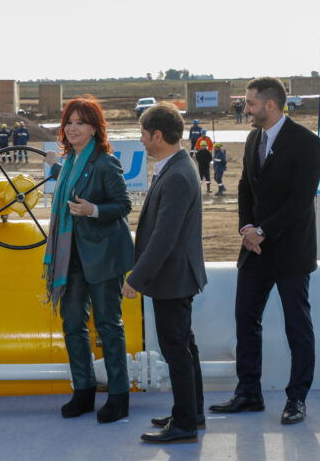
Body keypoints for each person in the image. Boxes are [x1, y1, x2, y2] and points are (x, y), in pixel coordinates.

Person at [209, 77, 320, 425]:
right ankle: (248, 393)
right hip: (254, 251)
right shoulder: (253, 137)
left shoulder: (308, 143)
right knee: (246, 319)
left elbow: (300, 201)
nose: (246, 109)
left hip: (290, 252)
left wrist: (263, 231)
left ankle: (296, 399)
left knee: (297, 328)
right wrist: (246, 228)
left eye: (250, 103)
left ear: (270, 105)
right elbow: (245, 186)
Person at [42, 95, 134, 424]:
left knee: (109, 325)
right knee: (72, 324)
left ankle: (119, 396)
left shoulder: (105, 163)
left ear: (95, 128)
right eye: (69, 122)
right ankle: (83, 391)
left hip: (103, 255)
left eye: (80, 122)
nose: (72, 128)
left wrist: (92, 210)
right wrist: (55, 164)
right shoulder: (68, 164)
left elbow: (123, 205)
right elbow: (69, 182)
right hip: (71, 260)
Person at [122, 102, 207, 444]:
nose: (141, 140)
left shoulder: (176, 175)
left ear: (158, 135)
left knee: (176, 350)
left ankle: (185, 423)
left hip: (172, 277)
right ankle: (192, 412)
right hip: (177, 275)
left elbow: (164, 238)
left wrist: (135, 278)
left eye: (143, 134)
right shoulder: (176, 166)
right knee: (184, 346)